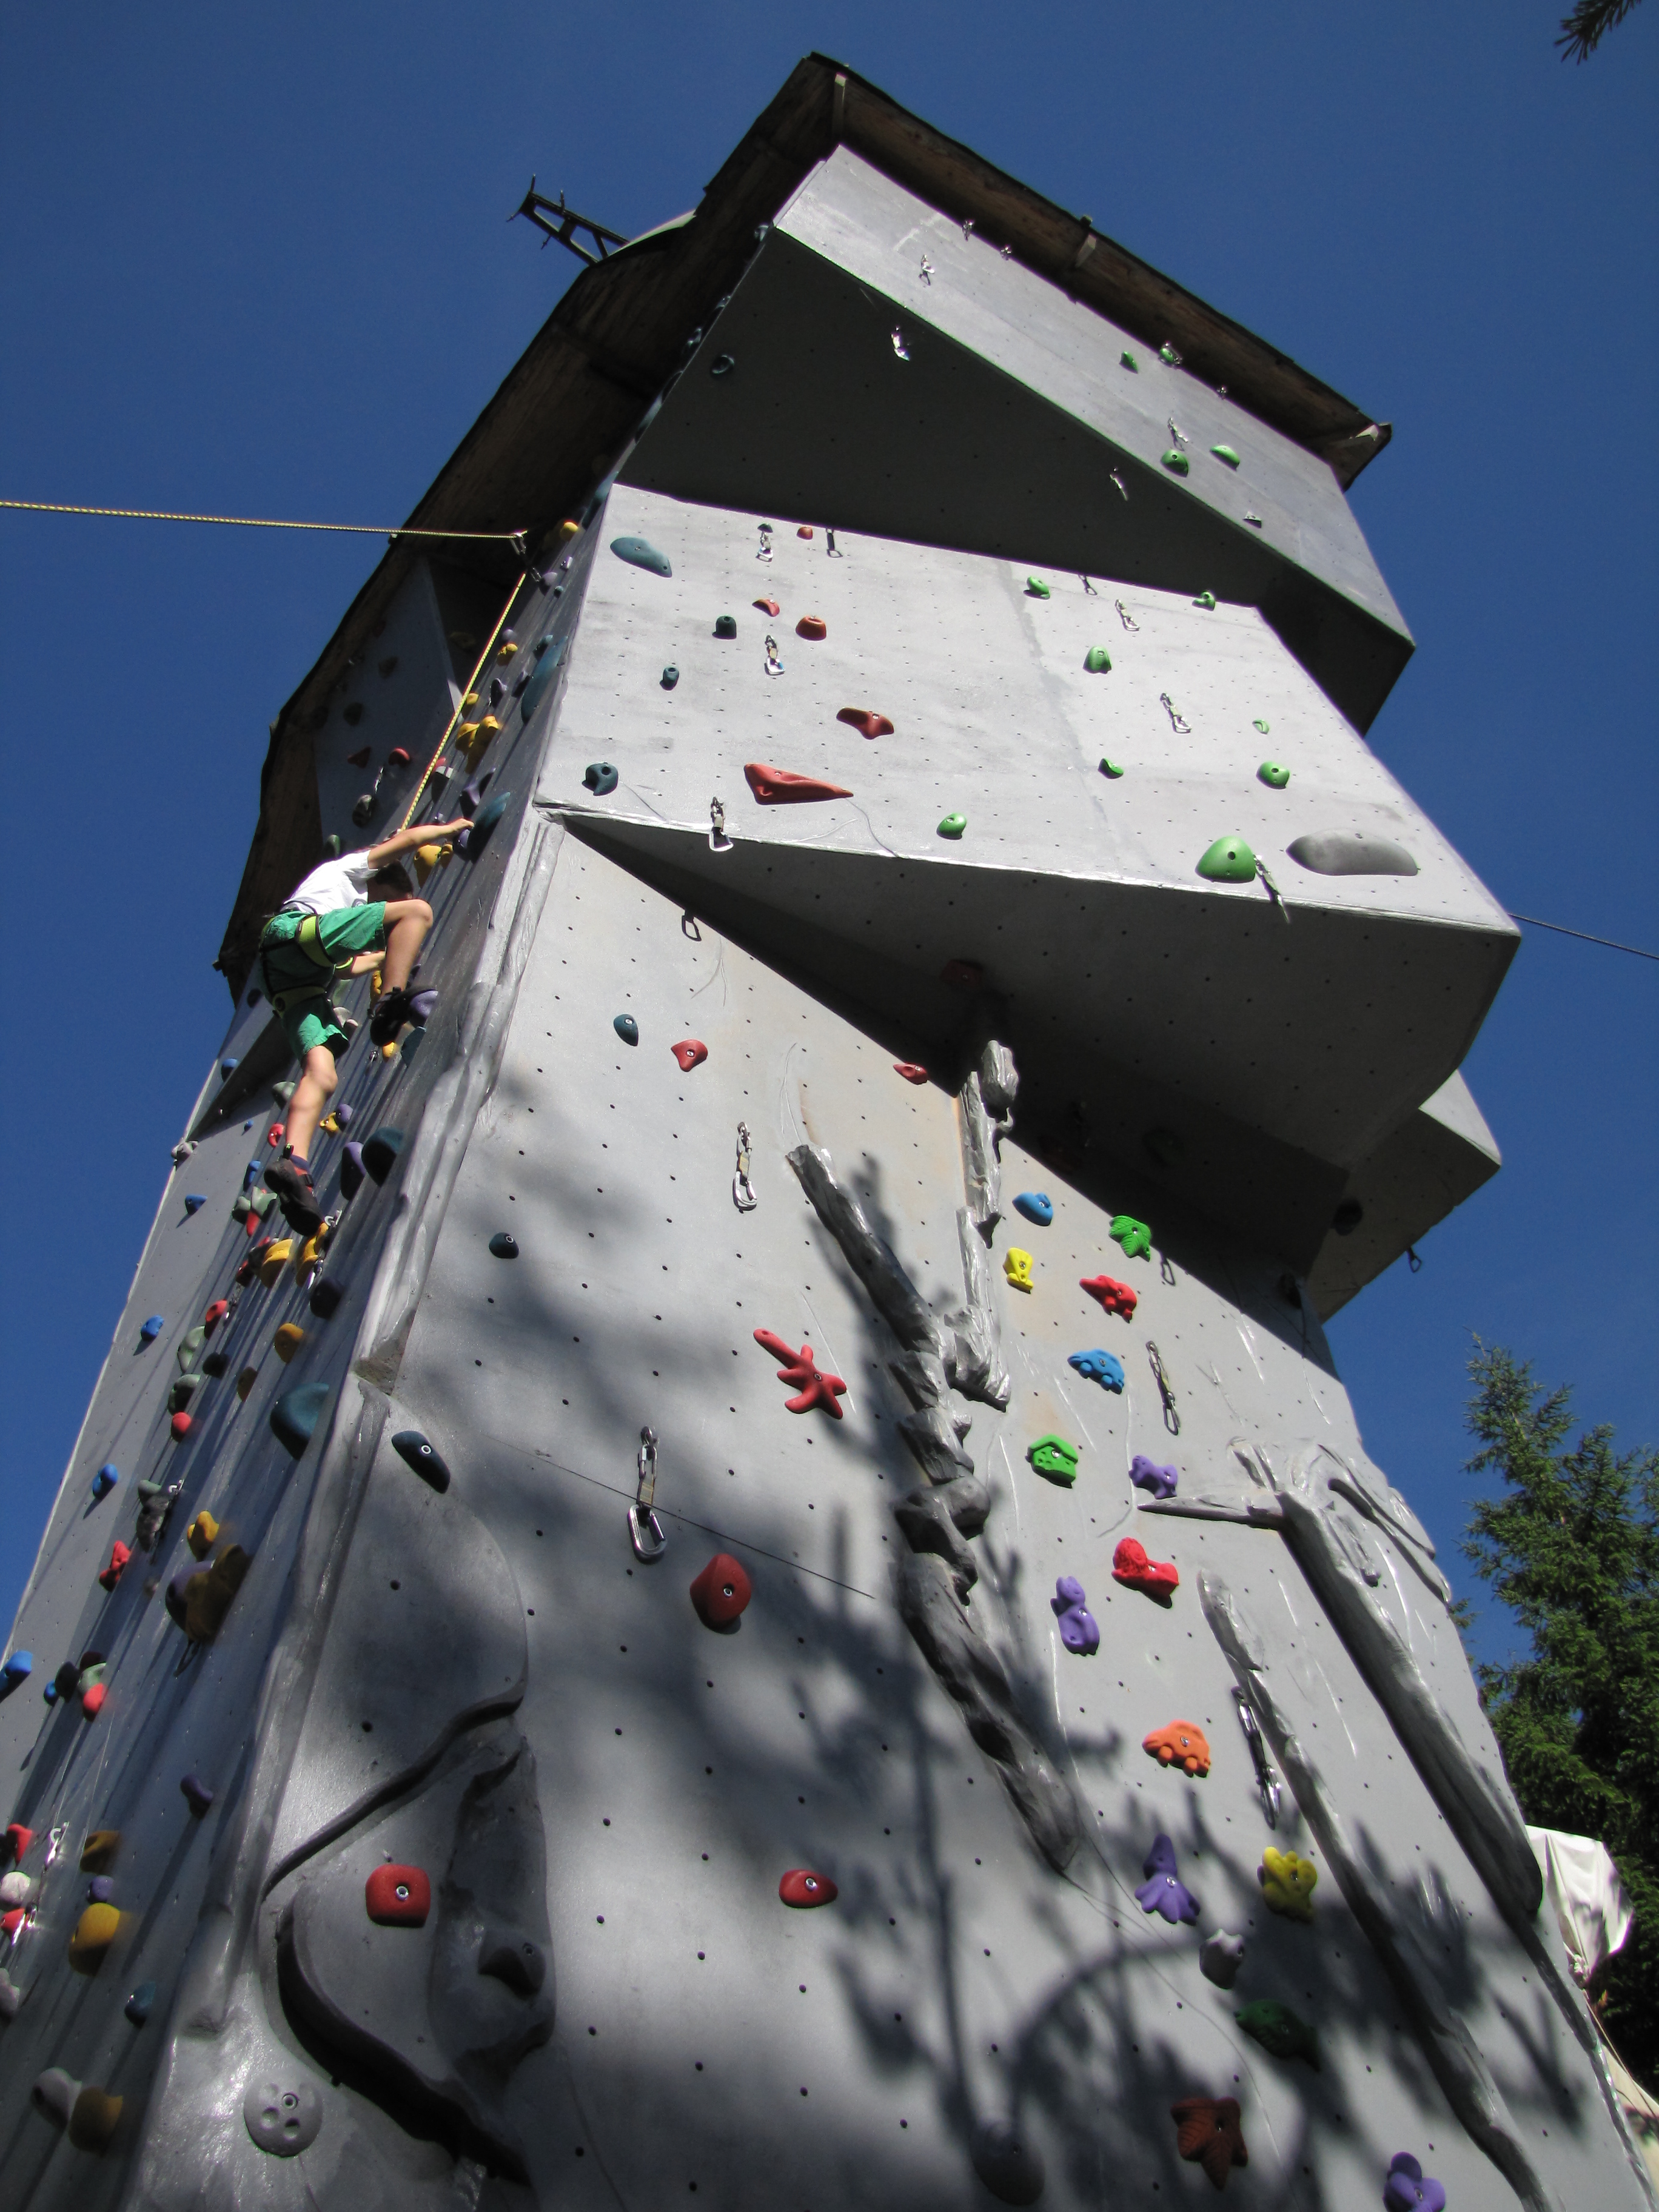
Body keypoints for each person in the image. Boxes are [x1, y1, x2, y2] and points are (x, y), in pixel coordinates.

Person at [258, 821, 467, 1230]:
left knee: (322, 1075)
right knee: (418, 912)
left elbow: (351, 966)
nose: (379, 929)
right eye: (389, 902)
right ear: (379, 883)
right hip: (293, 937)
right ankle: (391, 1001)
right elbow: (404, 842)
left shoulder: (336, 925)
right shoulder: (351, 870)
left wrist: (386, 957)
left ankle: (293, 1164)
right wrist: (450, 827)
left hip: (291, 980)